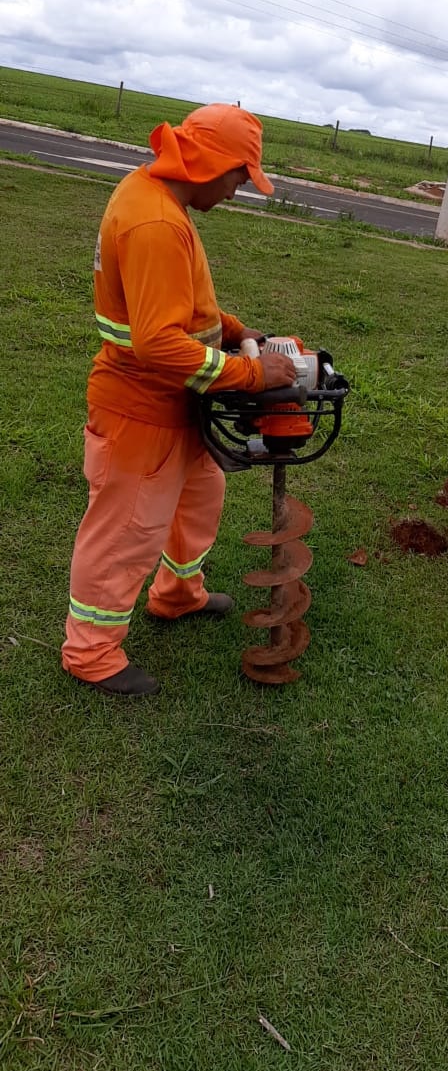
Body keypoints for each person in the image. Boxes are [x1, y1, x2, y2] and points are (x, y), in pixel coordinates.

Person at [62, 103, 297, 696]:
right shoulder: (156, 223)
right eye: (240, 180)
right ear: (213, 164)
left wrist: (238, 328)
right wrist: (248, 373)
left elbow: (179, 302)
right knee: (126, 530)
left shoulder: (157, 198)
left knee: (200, 498)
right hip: (141, 406)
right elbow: (159, 343)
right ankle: (90, 652)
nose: (239, 193)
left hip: (181, 403)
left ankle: (177, 593)